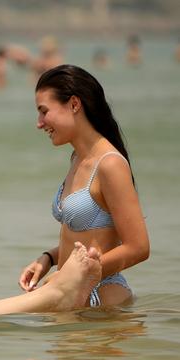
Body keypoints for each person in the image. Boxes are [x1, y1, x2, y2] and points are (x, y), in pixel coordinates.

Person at [19, 64, 150, 307]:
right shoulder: (77, 159)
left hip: (102, 300)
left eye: (43, 111)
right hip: (72, 296)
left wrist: (71, 278)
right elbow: (92, 239)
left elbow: (139, 247)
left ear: (74, 104)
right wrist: (48, 259)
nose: (39, 123)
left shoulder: (109, 164)